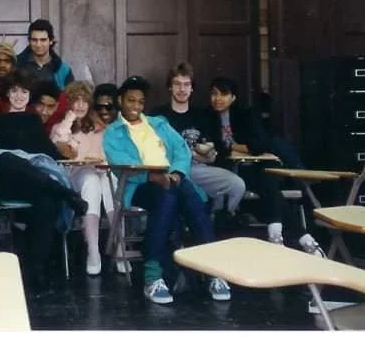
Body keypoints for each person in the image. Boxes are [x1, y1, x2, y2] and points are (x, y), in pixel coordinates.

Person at [0, 68, 87, 296]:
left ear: (30, 95)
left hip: (34, 184)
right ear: (7, 94)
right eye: (15, 91)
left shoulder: (33, 121)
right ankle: (65, 192)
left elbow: (49, 154)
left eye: (24, 91)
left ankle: (37, 273)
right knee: (7, 158)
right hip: (5, 181)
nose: (19, 96)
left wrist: (69, 149)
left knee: (46, 201)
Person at [103, 75, 231, 304]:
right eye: (131, 101)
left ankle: (203, 272)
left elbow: (181, 150)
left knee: (181, 193)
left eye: (140, 102)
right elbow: (119, 162)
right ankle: (160, 277)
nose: (136, 106)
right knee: (171, 195)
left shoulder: (158, 123)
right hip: (139, 186)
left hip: (172, 179)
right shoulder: (113, 132)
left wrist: (176, 174)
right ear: (121, 101)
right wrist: (152, 176)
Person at [201, 76, 325, 256]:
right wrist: (237, 148)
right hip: (230, 170)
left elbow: (259, 145)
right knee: (271, 189)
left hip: (254, 166)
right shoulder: (207, 116)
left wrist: (230, 146)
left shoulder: (245, 114)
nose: (217, 99)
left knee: (267, 180)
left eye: (224, 94)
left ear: (233, 97)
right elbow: (214, 148)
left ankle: (278, 234)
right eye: (214, 94)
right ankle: (302, 238)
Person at [150, 62, 246, 216]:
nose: (182, 89)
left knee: (236, 185)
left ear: (192, 88)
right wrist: (193, 154)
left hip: (198, 170)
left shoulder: (203, 115)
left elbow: (213, 153)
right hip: (170, 169)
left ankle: (216, 223)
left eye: (186, 84)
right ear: (170, 87)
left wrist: (206, 155)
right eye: (177, 84)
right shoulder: (158, 115)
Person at [49, 81, 119, 276]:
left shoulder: (98, 127)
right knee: (90, 178)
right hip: (72, 178)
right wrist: (69, 119)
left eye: (84, 101)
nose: (80, 105)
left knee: (107, 180)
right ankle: (93, 251)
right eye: (75, 101)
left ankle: (117, 246)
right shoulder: (60, 127)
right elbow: (61, 147)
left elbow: (106, 154)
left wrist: (101, 163)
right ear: (69, 103)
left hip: (98, 175)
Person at [17, 19, 73, 132]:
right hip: (21, 125)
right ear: (29, 41)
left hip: (54, 129)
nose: (38, 45)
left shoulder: (63, 69)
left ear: (51, 41)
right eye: (34, 40)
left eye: (43, 40)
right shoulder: (17, 65)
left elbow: (70, 101)